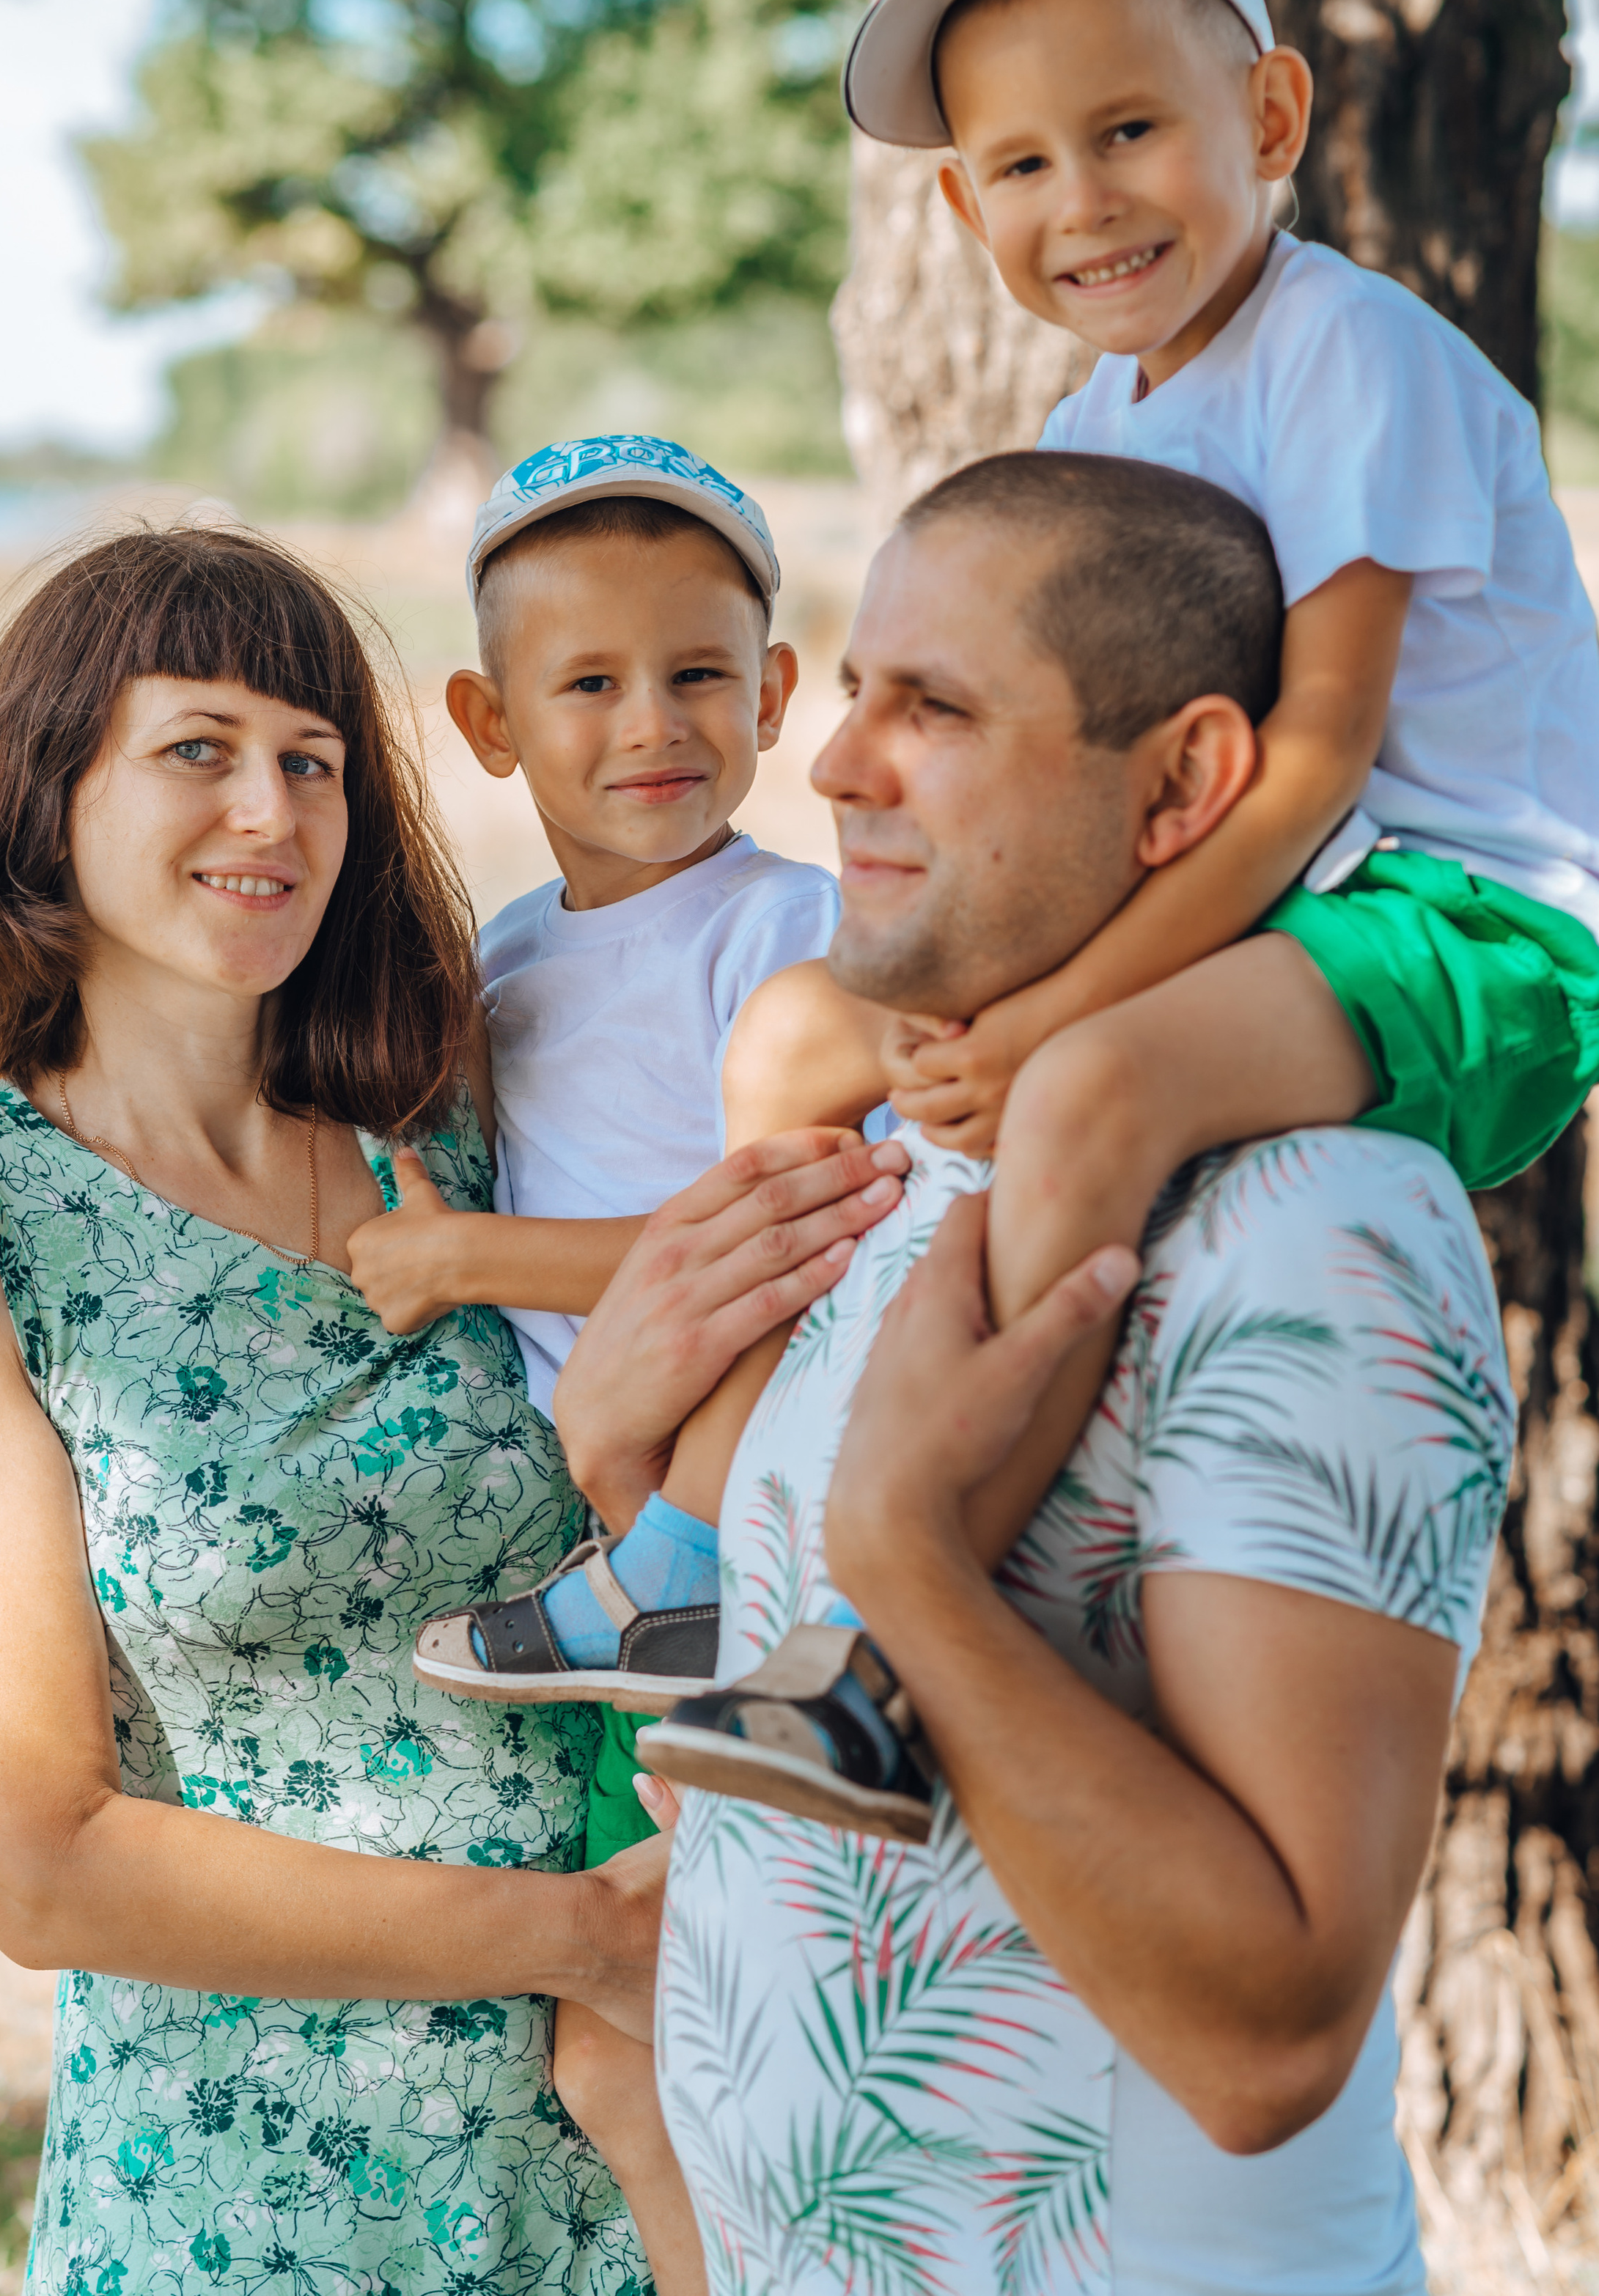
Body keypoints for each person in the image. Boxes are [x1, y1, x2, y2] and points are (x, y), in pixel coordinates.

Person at [520, 0, 1599, 1822]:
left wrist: (1052, 1012)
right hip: (1246, 889)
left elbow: (1319, 756)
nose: (1080, 203)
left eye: (1128, 132)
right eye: (1018, 164)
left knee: (1088, 1090)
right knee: (789, 1045)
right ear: (960, 209)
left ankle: (883, 1649)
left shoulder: (1354, 354)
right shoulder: (1101, 417)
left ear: (1265, 120)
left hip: (1459, 916)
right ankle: (696, 1552)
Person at [0, 523, 907, 2296]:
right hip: (253, 2190)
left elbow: (688, 1465)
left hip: (646, 2160)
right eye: (198, 749)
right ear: (47, 796)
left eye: (312, 762)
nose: (270, 812)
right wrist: (582, 1939)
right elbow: (40, 1862)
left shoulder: (463, 1116)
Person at [560, 455, 1515, 2289]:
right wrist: (621, 1466)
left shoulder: (1306, 1224)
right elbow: (754, 1779)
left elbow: (1265, 2038)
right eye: (852, 696)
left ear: (1185, 786)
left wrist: (906, 1561)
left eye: (937, 711)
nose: (835, 769)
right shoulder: (919, 1171)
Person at [340, 438, 865, 2286]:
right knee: (618, 2050)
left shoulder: (783, 933)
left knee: (754, 2027)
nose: (652, 725)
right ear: (489, 721)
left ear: (776, 695)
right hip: (622, 1536)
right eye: (588, 685)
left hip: (738, 1522)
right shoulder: (507, 964)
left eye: (699, 675)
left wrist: (462, 1260)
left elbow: (755, 1237)